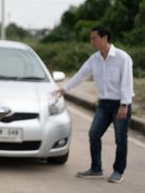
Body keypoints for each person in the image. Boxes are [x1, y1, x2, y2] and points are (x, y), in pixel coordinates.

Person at [56, 26, 133, 184]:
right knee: (94, 134)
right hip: (104, 104)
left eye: (94, 38)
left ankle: (118, 171)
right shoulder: (94, 59)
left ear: (105, 38)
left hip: (120, 103)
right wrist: (64, 88)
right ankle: (96, 168)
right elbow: (81, 74)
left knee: (120, 139)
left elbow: (127, 82)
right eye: (91, 39)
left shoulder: (122, 57)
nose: (92, 42)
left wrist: (125, 104)